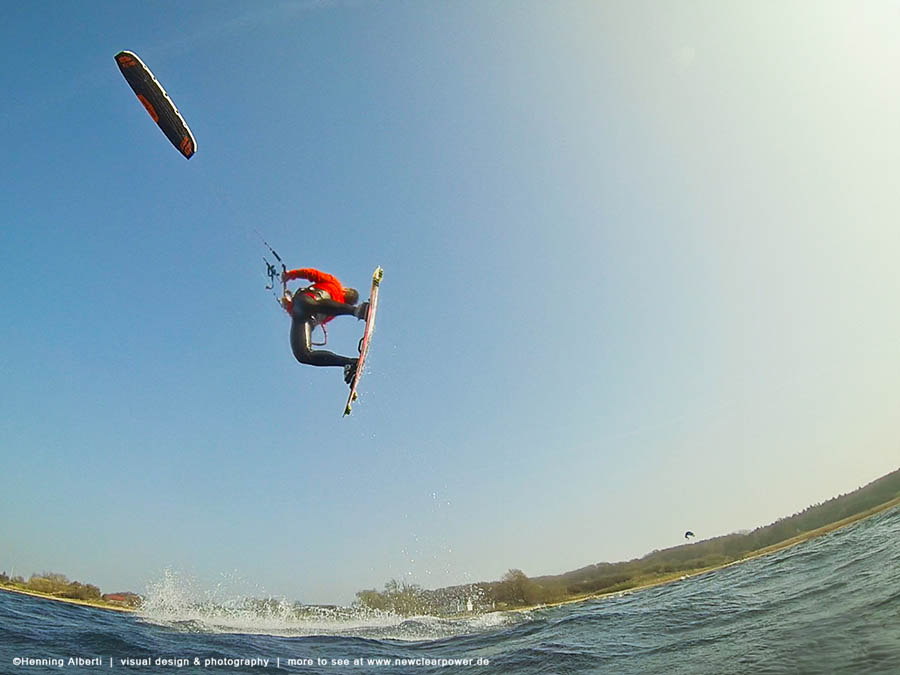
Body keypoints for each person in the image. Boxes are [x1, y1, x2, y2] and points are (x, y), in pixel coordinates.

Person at [280, 267, 369, 384]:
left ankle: (350, 363)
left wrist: (290, 276)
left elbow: (310, 273)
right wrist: (289, 304)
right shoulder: (334, 287)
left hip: (304, 312)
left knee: (303, 355)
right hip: (307, 306)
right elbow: (311, 274)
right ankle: (357, 311)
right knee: (303, 355)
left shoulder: (335, 291)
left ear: (346, 290)